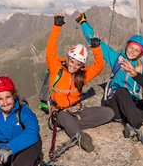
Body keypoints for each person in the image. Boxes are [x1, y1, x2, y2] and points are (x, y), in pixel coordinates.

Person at [75, 12, 143, 148]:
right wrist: (83, 23)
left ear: (141, 54)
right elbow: (96, 43)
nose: (132, 51)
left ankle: (135, 126)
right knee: (122, 91)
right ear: (127, 46)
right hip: (115, 106)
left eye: (137, 50)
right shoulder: (117, 59)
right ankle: (140, 129)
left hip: (134, 107)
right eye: (131, 48)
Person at [46, 13, 113, 153]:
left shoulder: (82, 76)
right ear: (68, 58)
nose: (74, 65)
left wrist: (96, 48)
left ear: (82, 65)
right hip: (60, 111)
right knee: (65, 118)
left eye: (78, 64)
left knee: (108, 113)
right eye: (72, 61)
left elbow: (98, 66)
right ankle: (80, 137)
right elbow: (51, 50)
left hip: (77, 109)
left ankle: (71, 126)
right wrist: (57, 26)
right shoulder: (56, 69)